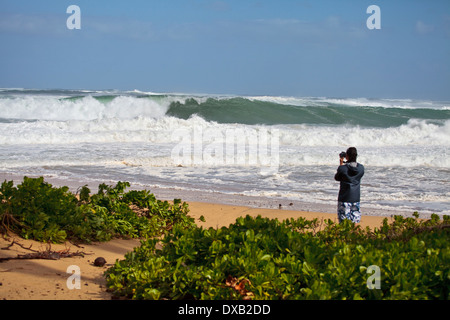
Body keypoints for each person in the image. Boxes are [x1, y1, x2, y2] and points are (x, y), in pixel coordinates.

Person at [334, 147, 364, 223]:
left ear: (347, 156)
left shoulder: (343, 169)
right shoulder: (361, 168)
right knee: (354, 221)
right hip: (355, 198)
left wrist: (341, 164)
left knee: (343, 223)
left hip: (344, 198)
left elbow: (337, 178)